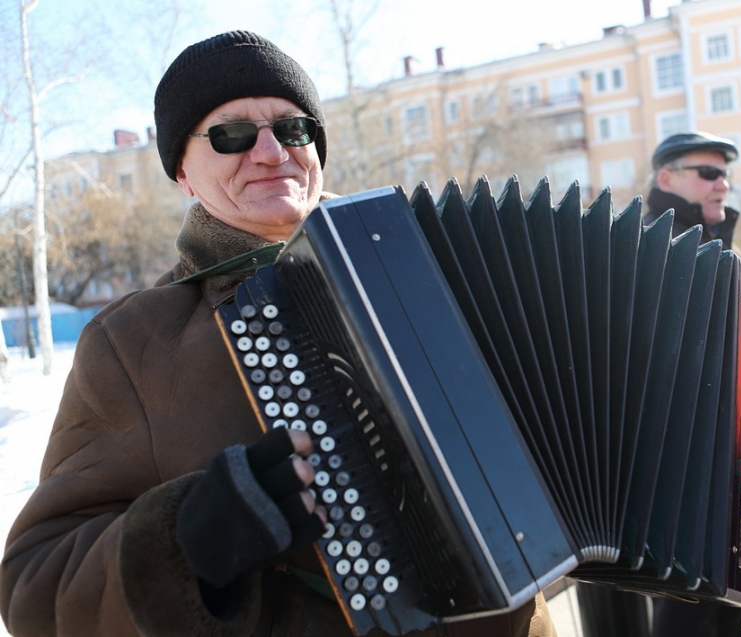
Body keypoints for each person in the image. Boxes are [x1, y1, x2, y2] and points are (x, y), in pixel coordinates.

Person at [0, 31, 556, 637]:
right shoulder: (135, 341)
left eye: (292, 129)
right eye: (230, 134)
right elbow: (36, 590)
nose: (270, 152)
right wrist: (191, 539)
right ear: (182, 173)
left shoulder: (433, 266)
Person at [575, 132, 741, 637]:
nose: (722, 184)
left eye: (725, 174)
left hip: (715, 495)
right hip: (634, 496)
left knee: (718, 613)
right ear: (667, 178)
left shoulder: (725, 257)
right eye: (708, 173)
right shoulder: (631, 251)